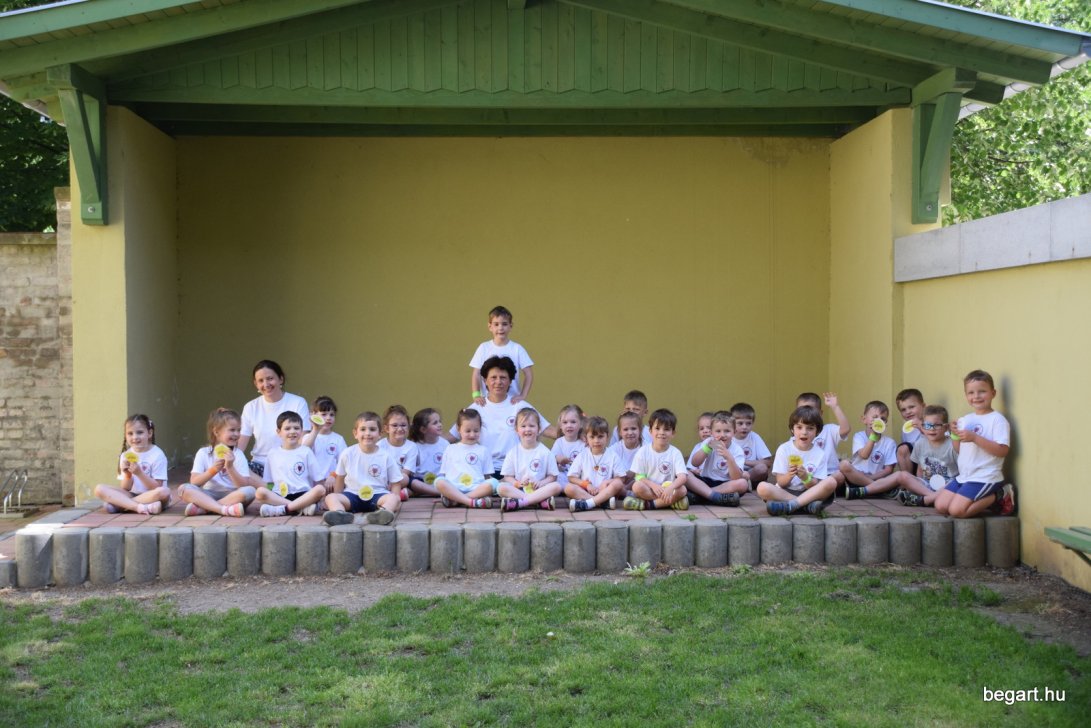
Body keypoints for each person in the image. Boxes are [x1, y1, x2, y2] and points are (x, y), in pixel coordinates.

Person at [449, 355, 554, 475]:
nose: (498, 382)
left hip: (514, 471)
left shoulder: (520, 406)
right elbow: (452, 436)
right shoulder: (476, 408)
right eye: (493, 377)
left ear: (510, 381)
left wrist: (572, 430)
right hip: (483, 471)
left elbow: (549, 430)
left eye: (503, 377)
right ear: (485, 380)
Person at [934, 370, 1014, 518]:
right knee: (940, 506)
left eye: (982, 391)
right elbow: (959, 450)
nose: (976, 396)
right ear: (966, 396)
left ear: (993, 393)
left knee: (957, 511)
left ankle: (1000, 494)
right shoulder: (965, 420)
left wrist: (975, 438)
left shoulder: (998, 420)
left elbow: (1002, 451)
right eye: (971, 393)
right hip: (965, 476)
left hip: (985, 477)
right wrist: (954, 434)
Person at [864, 405, 957, 506]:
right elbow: (920, 470)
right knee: (902, 475)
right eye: (927, 425)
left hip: (947, 487)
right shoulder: (920, 443)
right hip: (927, 486)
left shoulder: (953, 445)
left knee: (956, 482)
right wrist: (917, 484)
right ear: (923, 427)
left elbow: (961, 474)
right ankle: (863, 491)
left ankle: (926, 499)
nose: (932, 429)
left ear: (946, 427)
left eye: (937, 425)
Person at [324, 411, 405, 525]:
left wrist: (395, 501)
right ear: (355, 433)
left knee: (393, 498)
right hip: (352, 495)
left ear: (380, 434)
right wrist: (338, 496)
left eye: (372, 429)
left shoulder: (386, 456)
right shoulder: (347, 453)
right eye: (363, 429)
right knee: (331, 497)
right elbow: (340, 478)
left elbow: (396, 482)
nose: (367, 433)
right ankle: (340, 514)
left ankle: (382, 514)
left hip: (377, 495)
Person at [177, 407, 258, 517]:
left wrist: (230, 468)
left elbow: (243, 485)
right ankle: (223, 509)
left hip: (232, 495)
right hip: (208, 494)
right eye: (232, 430)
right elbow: (195, 482)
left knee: (250, 491)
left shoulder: (238, 454)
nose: (236, 434)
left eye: (239, 430)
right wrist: (213, 470)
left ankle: (205, 508)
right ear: (216, 432)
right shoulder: (203, 453)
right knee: (183, 489)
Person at [757, 406, 837, 516]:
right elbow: (781, 482)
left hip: (810, 492)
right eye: (799, 427)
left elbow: (815, 486)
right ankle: (806, 505)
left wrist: (805, 477)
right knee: (762, 487)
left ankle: (791, 505)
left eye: (810, 428)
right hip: (785, 492)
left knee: (831, 481)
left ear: (817, 431)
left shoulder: (820, 454)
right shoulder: (784, 449)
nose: (804, 432)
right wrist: (789, 475)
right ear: (792, 429)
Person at [238, 359, 310, 480]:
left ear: (281, 379)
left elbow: (302, 441)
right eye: (261, 381)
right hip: (259, 467)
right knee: (239, 468)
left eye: (270, 378)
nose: (266, 384)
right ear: (256, 384)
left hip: (289, 465)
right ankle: (268, 488)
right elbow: (239, 447)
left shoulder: (298, 402)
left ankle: (268, 489)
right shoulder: (251, 407)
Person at [94, 414, 171, 514]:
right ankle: (139, 507)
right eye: (130, 433)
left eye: (140, 432)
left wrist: (139, 473)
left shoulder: (158, 455)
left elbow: (157, 487)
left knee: (164, 491)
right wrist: (127, 474)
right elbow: (126, 488)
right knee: (99, 489)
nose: (135, 437)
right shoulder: (125, 455)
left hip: (153, 495)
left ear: (149, 433)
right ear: (125, 435)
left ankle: (122, 505)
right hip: (132, 494)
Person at [255, 412, 327, 517]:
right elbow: (269, 482)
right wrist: (269, 496)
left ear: (301, 431)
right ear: (279, 432)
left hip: (303, 494)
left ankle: (283, 509)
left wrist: (322, 499)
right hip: (280, 495)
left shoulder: (306, 451)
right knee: (260, 492)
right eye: (287, 428)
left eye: (296, 428)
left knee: (320, 489)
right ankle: (299, 508)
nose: (292, 431)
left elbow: (319, 480)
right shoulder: (272, 453)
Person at [623, 408, 689, 511]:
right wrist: (653, 486)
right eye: (657, 428)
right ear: (650, 431)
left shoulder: (675, 453)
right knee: (636, 486)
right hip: (650, 489)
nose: (661, 432)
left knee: (683, 490)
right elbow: (639, 476)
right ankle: (670, 503)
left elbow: (682, 477)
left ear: (673, 433)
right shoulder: (643, 451)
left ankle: (648, 505)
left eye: (666, 429)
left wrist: (671, 488)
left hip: (668, 489)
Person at [498, 408, 563, 511]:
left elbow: (553, 477)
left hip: (540, 489)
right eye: (523, 426)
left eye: (531, 426)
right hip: (520, 490)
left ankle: (521, 503)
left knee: (557, 486)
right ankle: (538, 502)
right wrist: (517, 483)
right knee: (501, 488)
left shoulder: (545, 452)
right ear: (517, 429)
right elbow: (507, 477)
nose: (527, 429)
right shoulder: (512, 452)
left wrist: (541, 483)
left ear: (539, 429)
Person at [469, 305, 534, 405]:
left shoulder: (517, 349)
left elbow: (528, 374)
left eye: (504, 324)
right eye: (496, 324)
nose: (500, 328)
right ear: (490, 326)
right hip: (487, 401)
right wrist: (476, 394)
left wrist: (523, 395)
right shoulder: (483, 348)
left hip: (512, 401)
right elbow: (476, 374)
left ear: (511, 326)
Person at [435, 409, 497, 509]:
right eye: (468, 431)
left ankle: (457, 500)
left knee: (494, 482)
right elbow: (444, 474)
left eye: (476, 431)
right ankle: (472, 502)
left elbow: (487, 476)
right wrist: (445, 489)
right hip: (454, 488)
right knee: (439, 481)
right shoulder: (450, 448)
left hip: (475, 489)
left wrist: (487, 490)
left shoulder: (483, 450)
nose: (472, 434)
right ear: (458, 429)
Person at [688, 411, 748, 506]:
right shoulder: (708, 442)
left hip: (725, 484)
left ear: (734, 432)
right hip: (705, 480)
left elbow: (736, 477)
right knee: (685, 474)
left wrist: (729, 458)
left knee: (743, 483)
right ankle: (716, 497)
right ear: (712, 432)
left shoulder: (737, 450)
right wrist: (707, 449)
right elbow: (694, 463)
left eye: (727, 431)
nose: (722, 435)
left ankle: (701, 495)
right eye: (718, 431)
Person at [565, 415, 624, 511]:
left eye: (600, 436)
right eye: (592, 437)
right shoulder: (583, 455)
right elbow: (571, 477)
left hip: (605, 491)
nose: (596, 441)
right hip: (586, 491)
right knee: (568, 488)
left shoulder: (613, 455)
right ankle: (601, 502)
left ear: (607, 436)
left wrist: (607, 482)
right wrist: (586, 485)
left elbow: (621, 478)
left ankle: (588, 503)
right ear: (586, 438)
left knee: (618, 484)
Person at [841, 401, 898, 497]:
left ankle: (873, 489)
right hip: (857, 479)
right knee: (844, 465)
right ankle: (881, 490)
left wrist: (871, 477)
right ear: (864, 419)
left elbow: (888, 470)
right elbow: (864, 455)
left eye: (883, 419)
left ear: (885, 423)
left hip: (876, 478)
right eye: (875, 417)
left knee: (897, 476)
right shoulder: (859, 436)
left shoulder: (889, 442)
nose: (879, 421)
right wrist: (873, 436)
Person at [797, 391, 850, 487]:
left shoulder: (829, 429)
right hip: (808, 476)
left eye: (811, 410)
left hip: (829, 474)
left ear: (820, 413)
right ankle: (819, 489)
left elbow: (846, 429)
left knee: (839, 476)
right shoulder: (798, 434)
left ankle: (819, 489)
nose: (806, 414)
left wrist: (835, 407)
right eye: (802, 410)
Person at [301, 395, 346, 493]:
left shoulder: (338, 439)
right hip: (311, 486)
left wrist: (333, 475)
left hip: (332, 483)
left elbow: (344, 462)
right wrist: (315, 429)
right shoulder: (308, 437)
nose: (328, 418)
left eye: (332, 415)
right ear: (313, 415)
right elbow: (303, 452)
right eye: (324, 414)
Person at [378, 404, 419, 502]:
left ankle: (388, 493)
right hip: (384, 479)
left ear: (409, 427)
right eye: (395, 425)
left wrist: (392, 483)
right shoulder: (380, 446)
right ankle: (402, 493)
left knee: (407, 479)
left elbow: (406, 472)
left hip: (401, 480)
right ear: (386, 428)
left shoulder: (412, 446)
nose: (400, 429)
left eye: (403, 425)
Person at [729, 402, 771, 487]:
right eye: (740, 423)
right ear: (732, 423)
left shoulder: (754, 437)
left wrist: (743, 461)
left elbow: (767, 463)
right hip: (732, 473)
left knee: (762, 468)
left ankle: (744, 483)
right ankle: (742, 484)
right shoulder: (728, 437)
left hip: (751, 474)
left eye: (748, 423)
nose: (744, 427)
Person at [408, 407, 446, 497]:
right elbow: (411, 469)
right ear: (423, 429)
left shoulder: (445, 444)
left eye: (440, 421)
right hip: (421, 481)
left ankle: (424, 492)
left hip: (440, 480)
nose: (440, 425)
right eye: (435, 423)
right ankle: (441, 493)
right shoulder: (414, 446)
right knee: (413, 482)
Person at [608, 410, 644, 489]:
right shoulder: (614, 449)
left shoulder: (646, 448)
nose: (630, 432)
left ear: (640, 430)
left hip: (639, 484)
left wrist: (633, 472)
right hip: (620, 483)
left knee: (640, 479)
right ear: (619, 432)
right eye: (626, 429)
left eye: (633, 428)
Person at [895, 388, 926, 475]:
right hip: (915, 465)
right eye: (903, 410)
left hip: (932, 462)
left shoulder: (931, 422)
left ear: (923, 406)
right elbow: (905, 454)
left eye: (911, 407)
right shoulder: (906, 429)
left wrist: (922, 428)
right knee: (903, 448)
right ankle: (907, 478)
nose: (908, 412)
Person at [550, 404, 585, 479]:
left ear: (581, 424)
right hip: (561, 477)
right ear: (560, 425)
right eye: (565, 422)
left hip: (577, 479)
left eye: (573, 422)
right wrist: (557, 458)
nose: (569, 425)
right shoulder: (559, 442)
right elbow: (550, 459)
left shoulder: (583, 444)